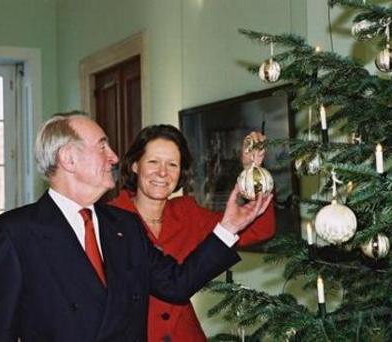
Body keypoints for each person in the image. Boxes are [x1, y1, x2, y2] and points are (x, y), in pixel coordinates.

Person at [0, 112, 272, 342]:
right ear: (69, 158)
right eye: (102, 147)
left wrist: (229, 225)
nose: (114, 157)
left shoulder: (124, 226)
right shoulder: (14, 233)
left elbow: (177, 284)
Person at [109, 125, 276, 341]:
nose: (162, 172)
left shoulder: (187, 213)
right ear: (134, 165)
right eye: (153, 162)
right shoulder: (109, 218)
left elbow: (260, 229)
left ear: (181, 173)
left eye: (172, 164)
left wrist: (251, 171)